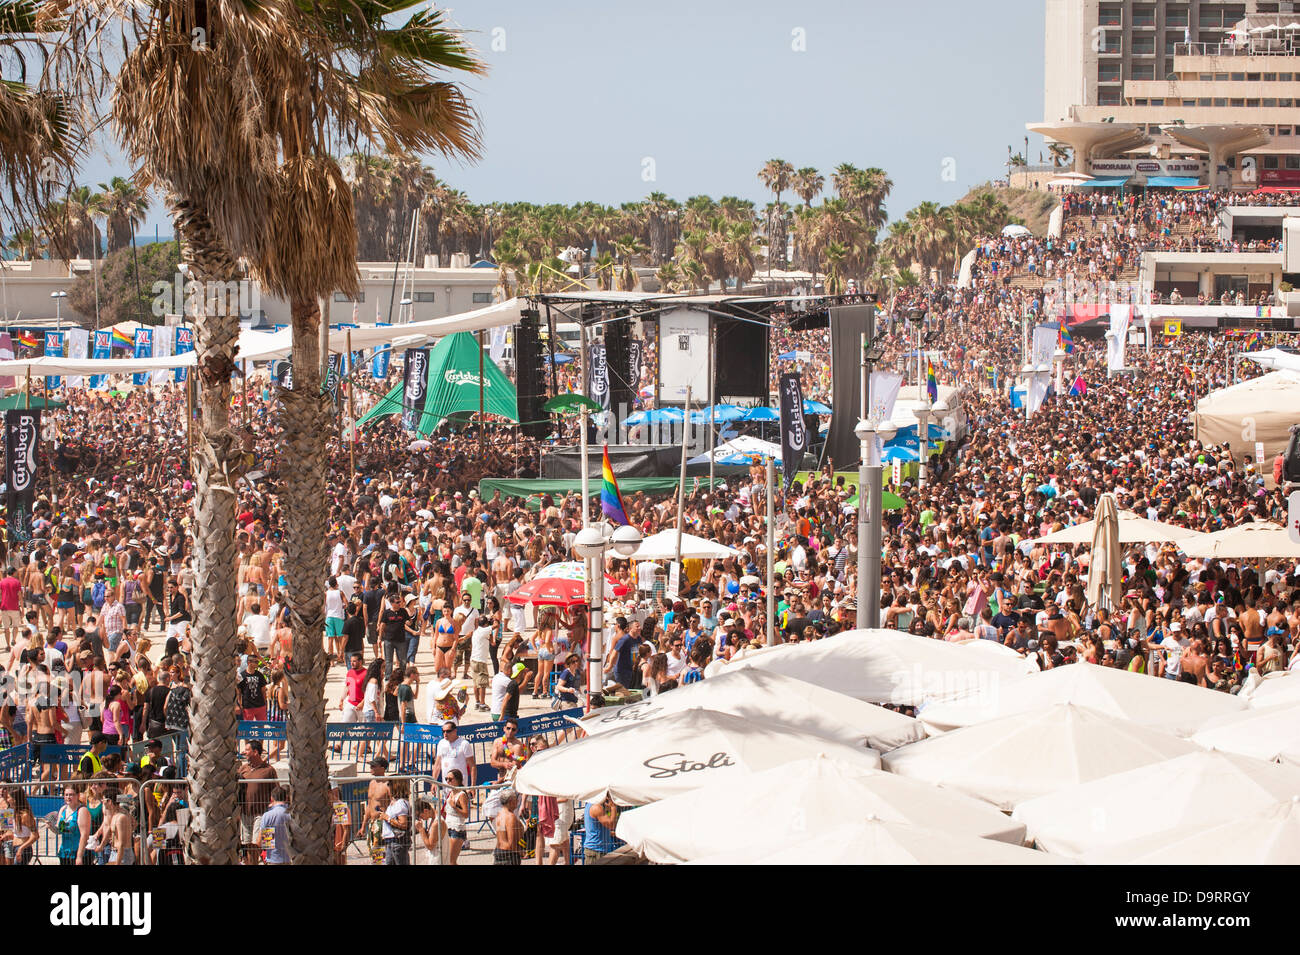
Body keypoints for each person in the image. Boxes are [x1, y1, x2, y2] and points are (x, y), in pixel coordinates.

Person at [237, 740, 278, 865]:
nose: (244, 752)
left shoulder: (269, 770)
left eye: (247, 750)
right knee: (247, 844)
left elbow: (276, 790)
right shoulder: (243, 769)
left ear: (255, 752)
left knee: (257, 843)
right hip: (245, 813)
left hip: (261, 814)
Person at [432, 719, 475, 786]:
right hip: (446, 783)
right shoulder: (441, 743)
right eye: (443, 731)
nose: (445, 733)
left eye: (448, 731)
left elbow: (472, 765)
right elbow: (437, 765)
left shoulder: (464, 744)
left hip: (460, 783)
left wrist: (473, 785)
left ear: (455, 731)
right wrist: (433, 783)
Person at [441, 768, 470, 865]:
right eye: (446, 779)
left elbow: (466, 814)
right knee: (448, 860)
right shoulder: (450, 793)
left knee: (451, 861)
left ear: (458, 780)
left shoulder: (461, 795)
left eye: (450, 779)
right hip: (448, 826)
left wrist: (455, 807)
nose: (448, 781)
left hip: (457, 828)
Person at [583, 794, 622, 863]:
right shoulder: (596, 807)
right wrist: (613, 807)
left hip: (598, 849)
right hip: (596, 851)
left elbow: (597, 828)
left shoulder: (591, 805)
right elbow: (611, 825)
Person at [258, 786, 292, 864]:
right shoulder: (291, 814)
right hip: (289, 858)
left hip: (273, 858)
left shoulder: (268, 816)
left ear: (272, 798)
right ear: (286, 798)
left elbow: (265, 841)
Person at [383, 777, 411, 865]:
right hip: (391, 841)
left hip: (397, 841)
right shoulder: (395, 802)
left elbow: (403, 824)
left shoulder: (400, 803)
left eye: (389, 785)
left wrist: (387, 818)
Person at [493, 788, 523, 865]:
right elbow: (511, 842)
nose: (518, 801)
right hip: (509, 854)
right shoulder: (510, 817)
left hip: (499, 851)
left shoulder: (500, 814)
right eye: (516, 800)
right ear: (510, 801)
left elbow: (502, 835)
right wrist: (521, 852)